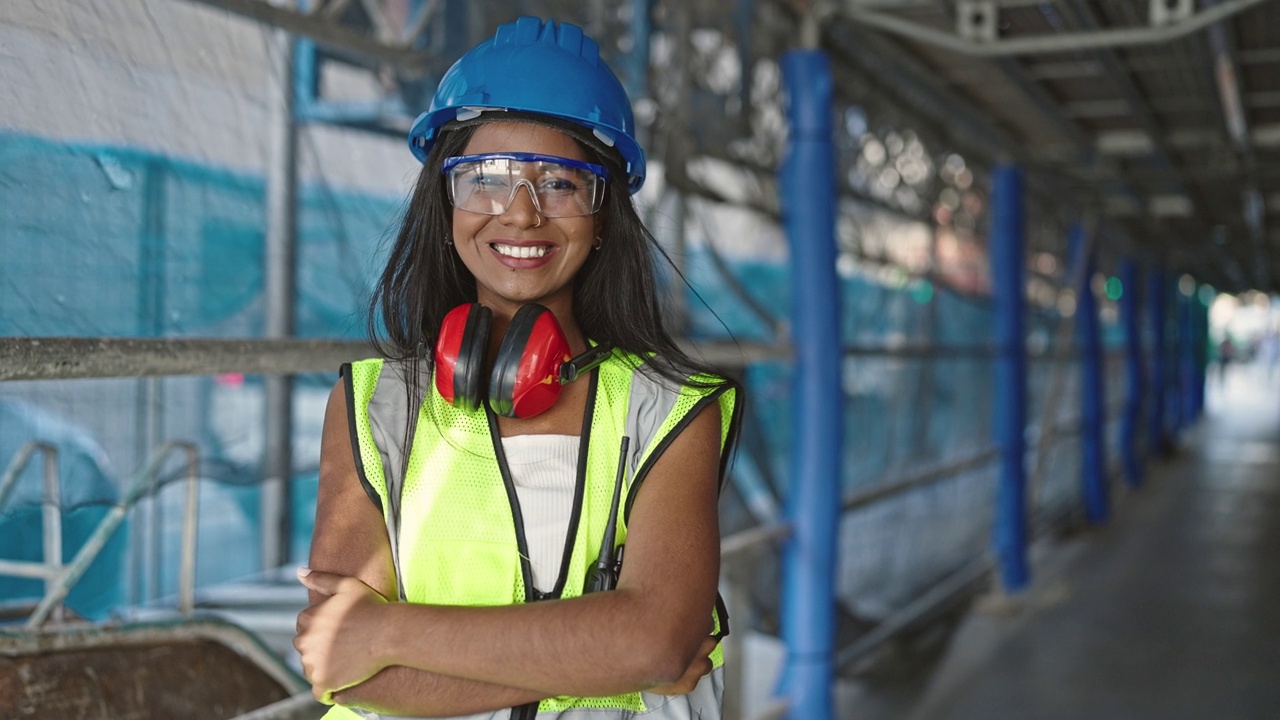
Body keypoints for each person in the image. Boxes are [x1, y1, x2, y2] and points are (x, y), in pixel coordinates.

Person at [293, 16, 742, 720]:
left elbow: (655, 643)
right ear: (445, 202)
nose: (522, 212)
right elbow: (343, 672)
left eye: (562, 182)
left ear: (603, 216)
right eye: (487, 179)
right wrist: (606, 660)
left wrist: (382, 631)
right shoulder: (373, 402)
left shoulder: (672, 407)